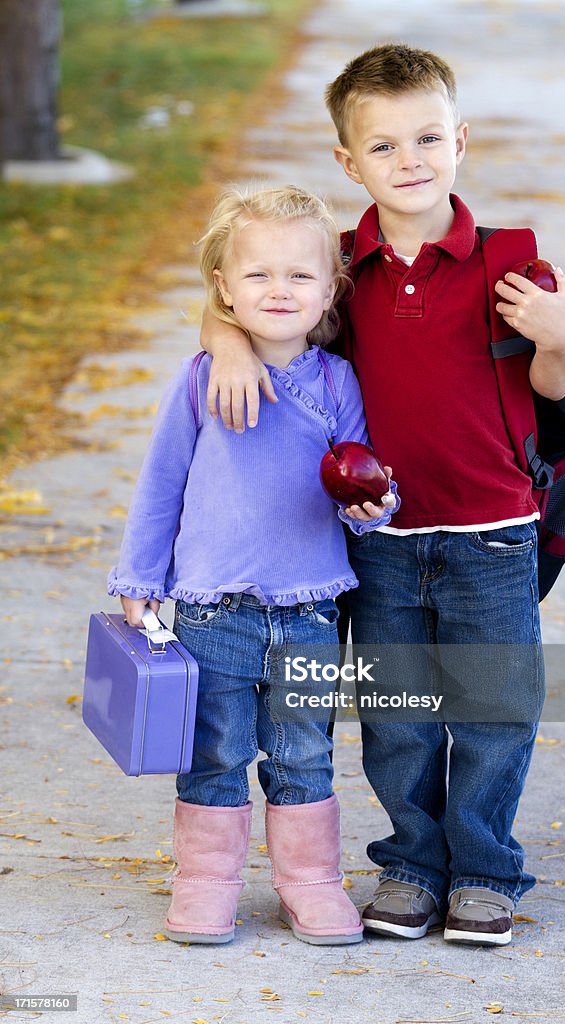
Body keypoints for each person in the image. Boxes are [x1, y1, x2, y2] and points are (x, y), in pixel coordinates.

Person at [199, 45, 565, 947]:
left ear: (460, 141)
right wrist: (224, 343)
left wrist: (558, 337)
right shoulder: (338, 266)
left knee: (492, 710)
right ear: (347, 162)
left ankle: (485, 870)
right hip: (379, 537)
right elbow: (244, 299)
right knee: (398, 714)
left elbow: (557, 389)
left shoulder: (512, 261)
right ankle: (411, 864)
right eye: (383, 147)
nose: (409, 160)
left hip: (493, 533)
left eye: (428, 138)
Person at [107, 184, 399, 947]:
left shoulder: (338, 383)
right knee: (215, 750)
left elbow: (361, 474)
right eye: (259, 275)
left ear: (330, 289)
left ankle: (310, 882)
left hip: (308, 611)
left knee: (304, 749)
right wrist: (139, 580)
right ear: (224, 290)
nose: (278, 290)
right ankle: (206, 881)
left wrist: (374, 504)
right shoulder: (200, 378)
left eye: (300, 276)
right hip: (212, 610)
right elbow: (161, 482)